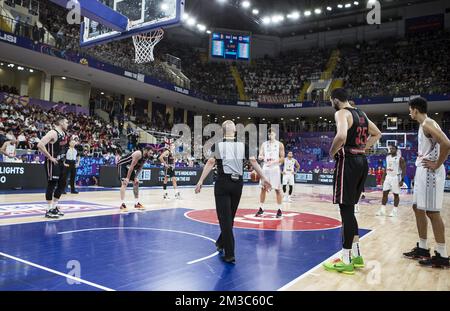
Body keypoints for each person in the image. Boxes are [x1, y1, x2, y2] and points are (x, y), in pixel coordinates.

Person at [195, 120, 271, 264]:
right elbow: (253, 161)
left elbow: (210, 163)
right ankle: (220, 243)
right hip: (238, 185)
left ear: (223, 131)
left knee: (225, 220)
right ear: (235, 130)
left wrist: (200, 181)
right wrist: (264, 178)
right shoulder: (243, 145)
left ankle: (230, 254)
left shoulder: (218, 145)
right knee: (229, 218)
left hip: (223, 184)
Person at [323, 88, 381, 275]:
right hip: (362, 162)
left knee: (345, 210)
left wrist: (332, 153)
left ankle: (346, 258)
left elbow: (341, 136)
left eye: (331, 100)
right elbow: (377, 133)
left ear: (335, 99)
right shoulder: (361, 114)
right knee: (350, 209)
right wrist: (363, 148)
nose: (331, 103)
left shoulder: (341, 113)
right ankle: (356, 255)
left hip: (347, 162)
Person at [403, 97, 449, 268]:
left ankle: (442, 255)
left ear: (415, 109)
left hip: (431, 172)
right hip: (424, 170)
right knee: (417, 207)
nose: (409, 113)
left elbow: (446, 143)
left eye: (410, 110)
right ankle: (422, 248)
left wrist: (437, 164)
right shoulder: (426, 124)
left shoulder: (427, 124)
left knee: (432, 212)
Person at [37, 117, 69, 219]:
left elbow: (62, 149)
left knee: (62, 184)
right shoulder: (53, 133)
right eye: (66, 122)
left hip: (61, 162)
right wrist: (50, 157)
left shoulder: (64, 134)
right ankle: (48, 209)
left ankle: (55, 207)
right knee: (52, 184)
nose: (68, 124)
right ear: (60, 123)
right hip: (52, 163)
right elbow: (40, 144)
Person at [255, 128, 285, 218]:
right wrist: (261, 157)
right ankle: (261, 208)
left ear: (275, 134)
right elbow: (260, 155)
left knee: (277, 189)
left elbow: (282, 158)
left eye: (272, 134)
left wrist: (274, 162)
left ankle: (279, 210)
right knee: (263, 188)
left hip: (275, 168)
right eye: (269, 134)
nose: (270, 136)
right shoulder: (264, 144)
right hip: (265, 168)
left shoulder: (280, 144)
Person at [376, 145, 406, 217]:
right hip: (388, 177)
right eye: (390, 149)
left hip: (396, 177)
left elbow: (404, 169)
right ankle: (382, 210)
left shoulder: (400, 158)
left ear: (396, 150)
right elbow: (386, 168)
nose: (391, 150)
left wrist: (402, 180)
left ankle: (395, 210)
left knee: (395, 194)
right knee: (384, 193)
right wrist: (383, 178)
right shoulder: (387, 157)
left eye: (393, 149)